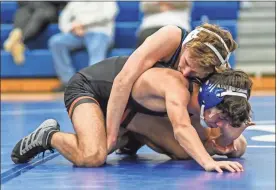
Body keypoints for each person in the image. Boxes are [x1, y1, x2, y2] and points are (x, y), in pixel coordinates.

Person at [11, 56, 252, 173]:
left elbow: (236, 146)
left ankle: (129, 138)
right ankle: (48, 136)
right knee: (92, 156)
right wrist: (209, 162)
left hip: (131, 109)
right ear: (210, 100)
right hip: (94, 89)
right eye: (221, 119)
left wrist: (231, 136)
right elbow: (182, 131)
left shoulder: (212, 97)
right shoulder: (179, 88)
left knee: (185, 150)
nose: (219, 125)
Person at [105, 23, 238, 153]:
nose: (185, 73)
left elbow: (210, 109)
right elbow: (123, 80)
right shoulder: (170, 38)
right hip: (133, 100)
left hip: (165, 106)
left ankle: (135, 136)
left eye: (195, 73)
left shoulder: (216, 69)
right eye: (186, 62)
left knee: (186, 151)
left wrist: (221, 137)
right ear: (187, 45)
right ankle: (130, 126)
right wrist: (111, 134)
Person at [48, 2, 118, 92]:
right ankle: (68, 83)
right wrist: (72, 27)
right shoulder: (74, 2)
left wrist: (82, 23)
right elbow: (64, 18)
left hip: (99, 33)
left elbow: (109, 14)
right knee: (56, 42)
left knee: (96, 45)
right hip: (77, 33)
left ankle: (94, 83)